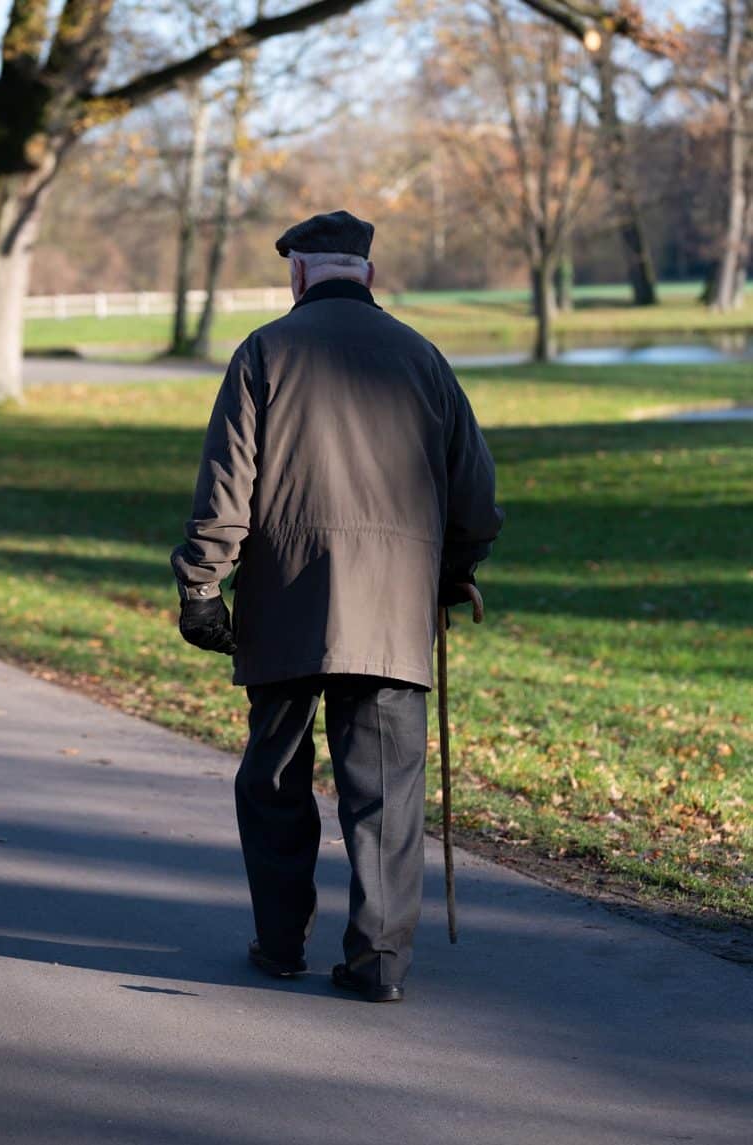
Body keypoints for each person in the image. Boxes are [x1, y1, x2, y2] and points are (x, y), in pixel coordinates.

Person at [171, 209, 502, 1003]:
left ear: (297, 274)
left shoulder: (264, 352)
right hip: (390, 610)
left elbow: (227, 486)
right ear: (369, 274)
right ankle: (378, 959)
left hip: (286, 601)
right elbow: (476, 494)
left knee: (275, 778)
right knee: (386, 790)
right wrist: (452, 570)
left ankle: (281, 940)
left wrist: (202, 587)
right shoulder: (422, 357)